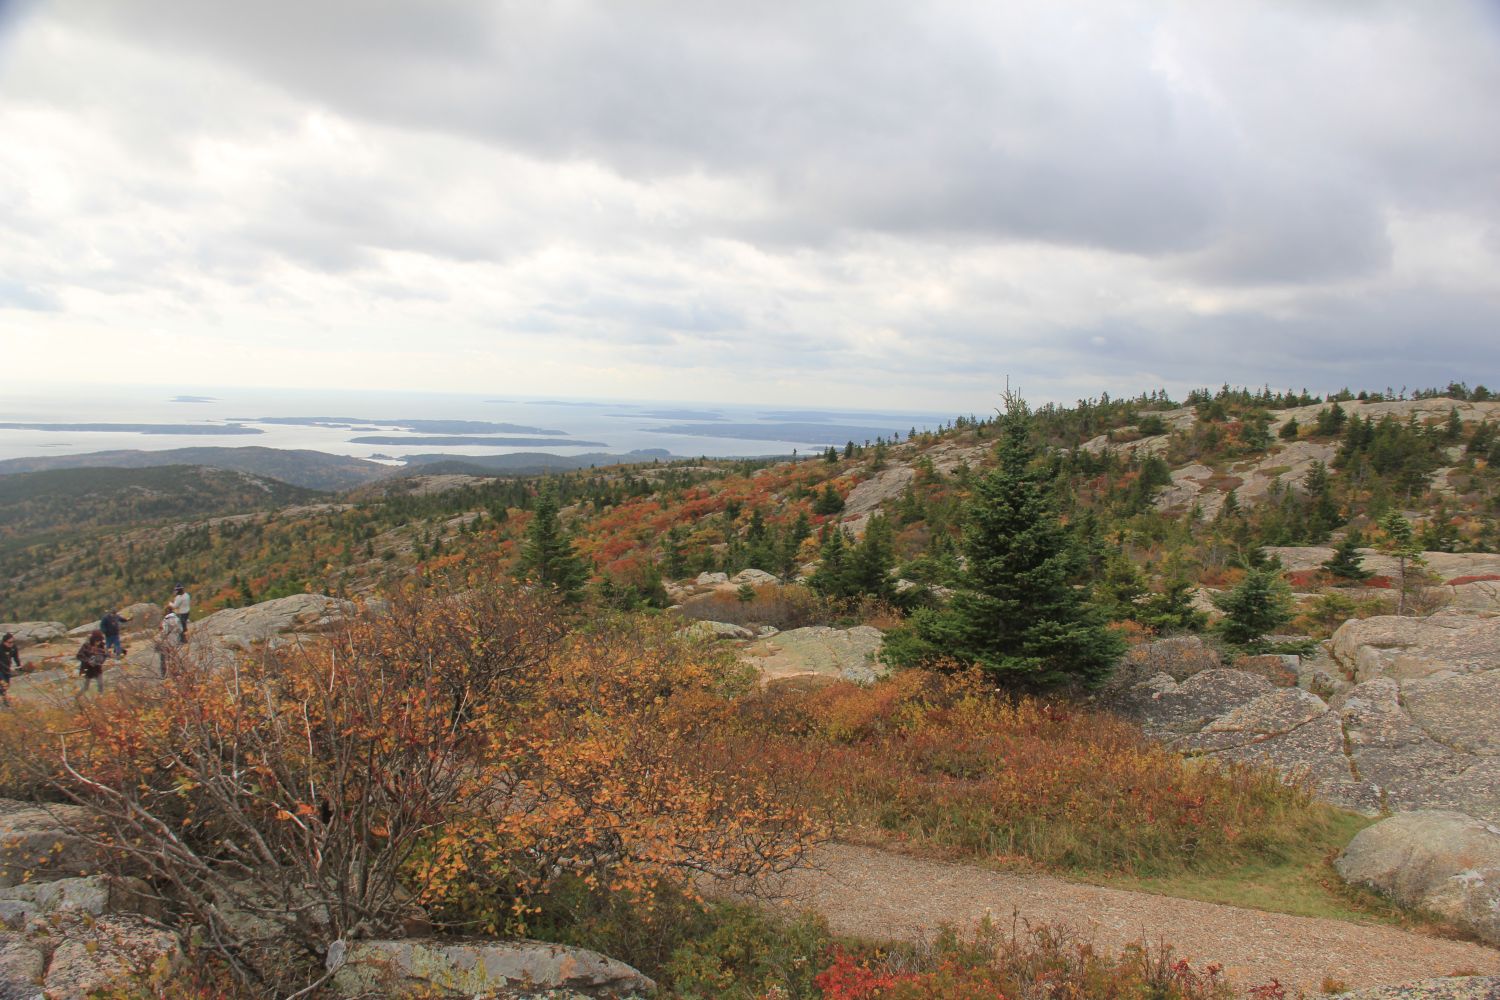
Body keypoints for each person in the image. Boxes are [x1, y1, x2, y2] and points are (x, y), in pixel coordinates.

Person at [77, 630, 107, 695]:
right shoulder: (86, 645)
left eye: (99, 641)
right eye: (97, 641)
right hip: (87, 669)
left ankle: (100, 700)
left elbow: (104, 656)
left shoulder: (101, 646)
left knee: (101, 685)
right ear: (93, 640)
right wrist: (88, 661)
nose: (98, 642)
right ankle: (76, 699)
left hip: (97, 669)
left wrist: (100, 660)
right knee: (86, 687)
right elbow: (79, 656)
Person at [154, 612, 183, 678]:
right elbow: (181, 630)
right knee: (173, 657)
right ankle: (175, 673)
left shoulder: (166, 620)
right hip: (174, 641)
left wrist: (159, 637)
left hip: (166, 642)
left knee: (163, 658)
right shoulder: (177, 619)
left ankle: (164, 674)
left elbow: (165, 631)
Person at [0, 633, 19, 707]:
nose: (11, 644)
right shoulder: (0, 648)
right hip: (0, 668)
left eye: (13, 642)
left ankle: (3, 696)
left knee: (7, 685)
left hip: (7, 668)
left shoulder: (13, 647)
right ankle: (5, 701)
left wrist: (19, 666)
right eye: (9, 642)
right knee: (3, 684)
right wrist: (9, 668)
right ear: (4, 642)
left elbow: (16, 657)